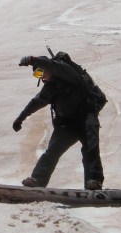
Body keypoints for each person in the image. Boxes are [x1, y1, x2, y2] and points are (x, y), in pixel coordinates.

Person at [12, 53, 104, 190]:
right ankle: (37, 180)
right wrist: (21, 118)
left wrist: (33, 60)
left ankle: (93, 181)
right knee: (53, 151)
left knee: (90, 147)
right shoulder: (50, 87)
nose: (40, 76)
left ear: (48, 68)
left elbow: (54, 66)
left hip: (86, 116)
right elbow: (37, 102)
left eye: (40, 71)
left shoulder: (67, 72)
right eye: (36, 75)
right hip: (67, 123)